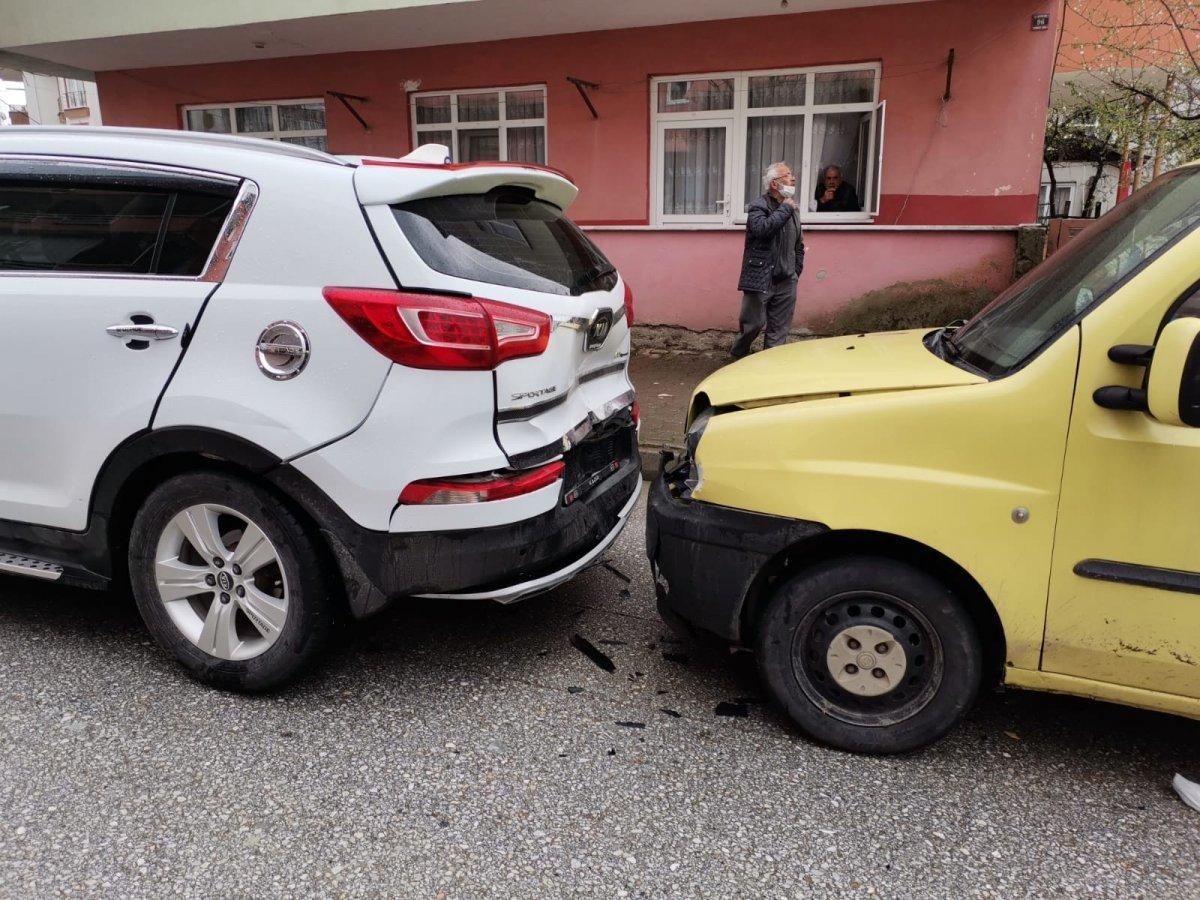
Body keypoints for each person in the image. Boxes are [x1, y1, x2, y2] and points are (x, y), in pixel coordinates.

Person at [731, 162, 805, 359]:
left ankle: (769, 365)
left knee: (779, 329)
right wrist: (785, 210)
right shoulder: (758, 206)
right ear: (774, 184)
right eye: (788, 175)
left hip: (787, 279)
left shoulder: (792, 209)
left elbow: (799, 243)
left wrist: (796, 270)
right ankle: (738, 354)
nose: (793, 179)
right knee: (752, 325)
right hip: (762, 277)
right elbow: (761, 230)